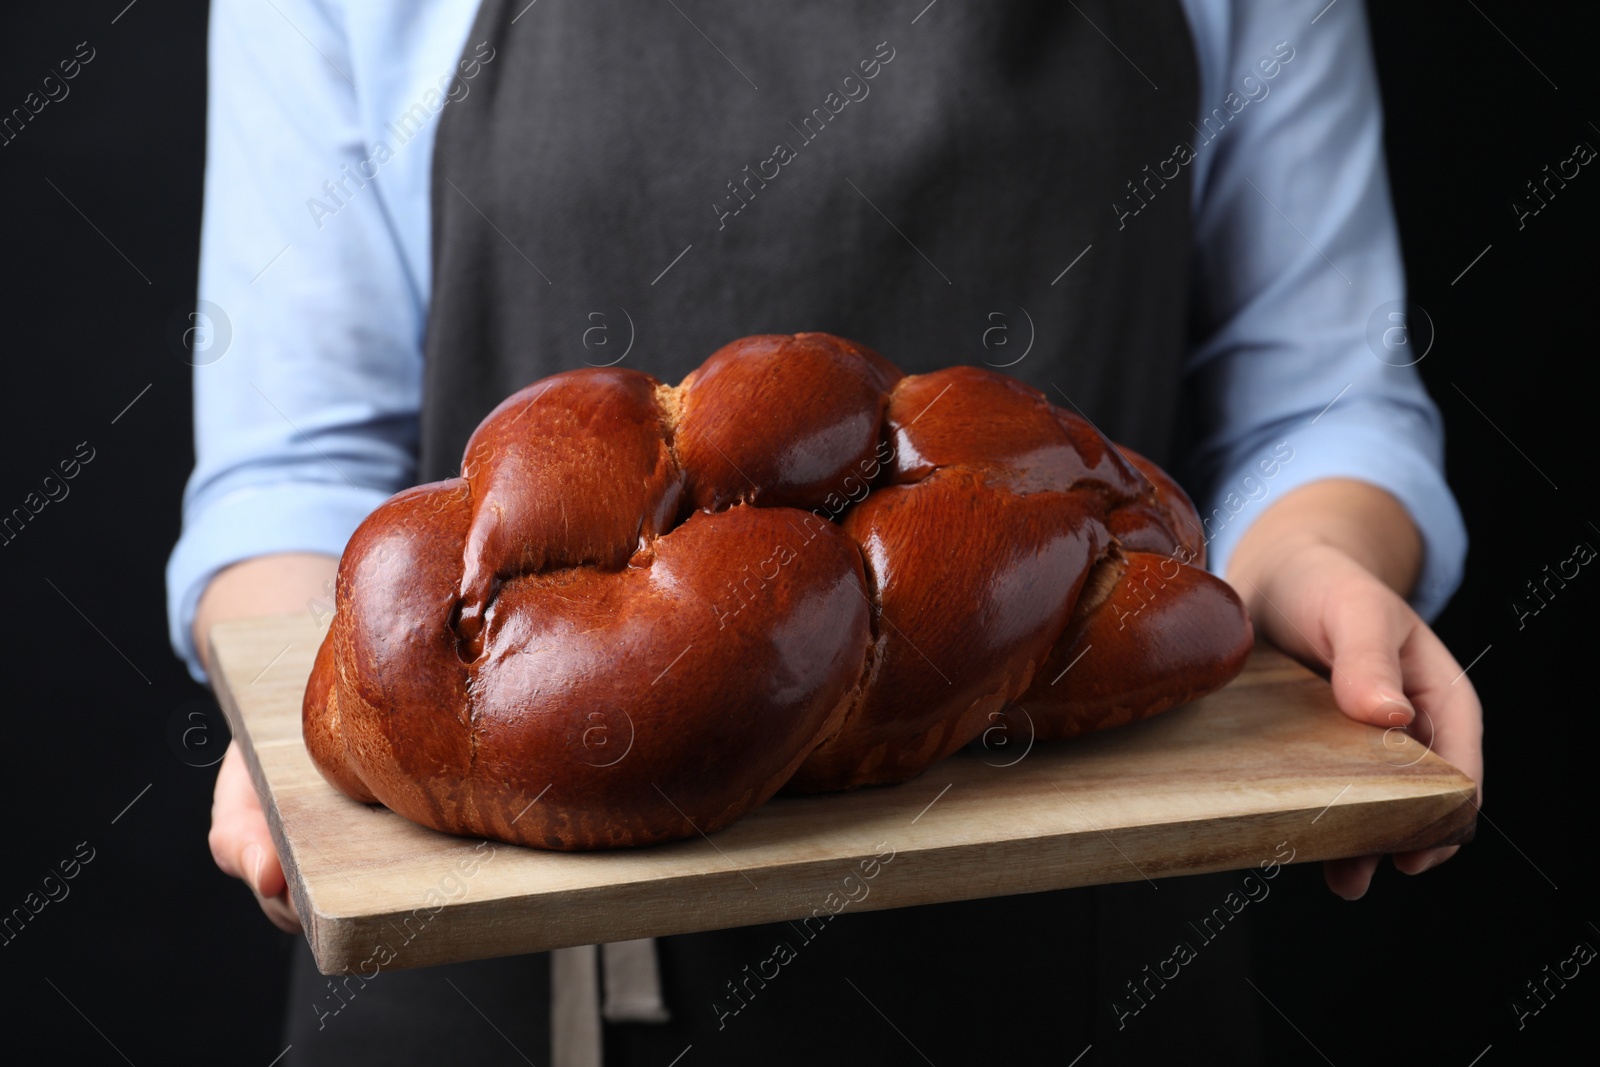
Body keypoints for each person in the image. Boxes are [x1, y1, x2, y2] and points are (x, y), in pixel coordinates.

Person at [171, 1, 1482, 1063]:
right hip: (484, 993)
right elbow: (291, 472)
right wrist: (305, 708)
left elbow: (1317, 403)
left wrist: (1321, 564)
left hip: (1076, 964)